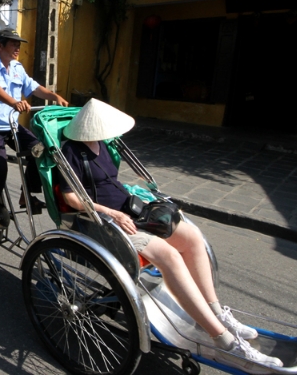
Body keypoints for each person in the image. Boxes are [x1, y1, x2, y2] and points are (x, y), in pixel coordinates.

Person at [58, 99, 284, 374]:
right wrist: (112, 214)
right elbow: (71, 197)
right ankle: (223, 339)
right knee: (169, 255)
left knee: (192, 237)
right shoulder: (71, 150)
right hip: (104, 223)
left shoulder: (104, 144)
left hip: (133, 211)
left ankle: (213, 312)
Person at [0, 28, 69, 233]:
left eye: (19, 44)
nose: (18, 48)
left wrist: (54, 97)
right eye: (13, 43)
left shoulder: (17, 67)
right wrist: (15, 102)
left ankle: (27, 195)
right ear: (0, 45)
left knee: (41, 149)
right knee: (0, 167)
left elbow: (33, 87)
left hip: (11, 126)